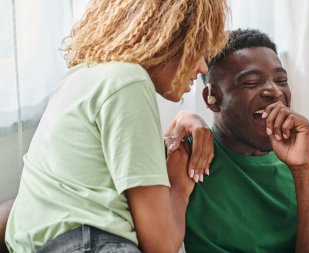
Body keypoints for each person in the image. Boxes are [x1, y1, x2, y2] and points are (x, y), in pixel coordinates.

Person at [3, 0, 228, 252]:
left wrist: (181, 121)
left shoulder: (86, 76)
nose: (202, 67)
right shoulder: (129, 82)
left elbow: (116, 170)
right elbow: (161, 244)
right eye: (197, 49)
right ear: (170, 39)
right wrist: (179, 184)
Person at [183, 29, 309, 252]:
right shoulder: (187, 159)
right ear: (212, 98)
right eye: (251, 82)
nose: (274, 91)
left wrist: (303, 171)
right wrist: (185, 119)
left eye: (281, 80)